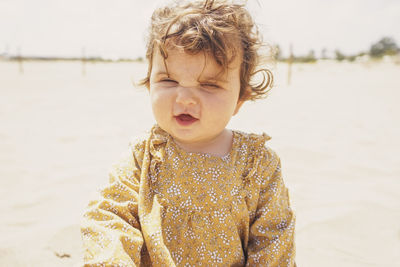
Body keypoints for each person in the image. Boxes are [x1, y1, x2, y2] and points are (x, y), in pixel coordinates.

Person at [81, 0, 296, 266]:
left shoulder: (257, 164)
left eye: (209, 85)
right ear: (149, 84)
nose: (185, 98)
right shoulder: (143, 157)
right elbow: (110, 217)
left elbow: (273, 239)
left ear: (240, 99)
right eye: (169, 81)